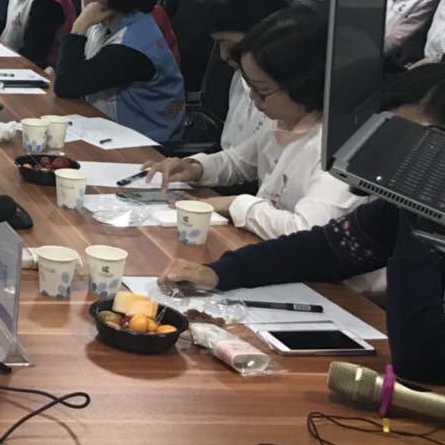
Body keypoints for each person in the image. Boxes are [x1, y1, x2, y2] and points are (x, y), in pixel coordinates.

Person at [157, 76, 445, 383]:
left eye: (420, 142)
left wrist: (420, 229)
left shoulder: (423, 217)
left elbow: (419, 360)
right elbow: (322, 250)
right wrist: (219, 272)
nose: (400, 156)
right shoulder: (406, 212)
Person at [144, 8, 360, 239]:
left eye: (262, 90)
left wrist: (235, 204)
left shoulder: (341, 149)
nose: (253, 97)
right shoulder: (288, 120)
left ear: (304, 84)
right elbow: (239, 161)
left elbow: (307, 230)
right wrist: (196, 168)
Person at [53, 0, 186, 144]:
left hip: (146, 147)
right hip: (113, 133)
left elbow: (66, 85)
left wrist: (78, 27)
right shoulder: (112, 22)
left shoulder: (133, 46)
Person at [201, 0, 289, 151]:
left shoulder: (287, 94)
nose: (224, 55)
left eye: (230, 45)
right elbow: (232, 150)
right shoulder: (241, 74)